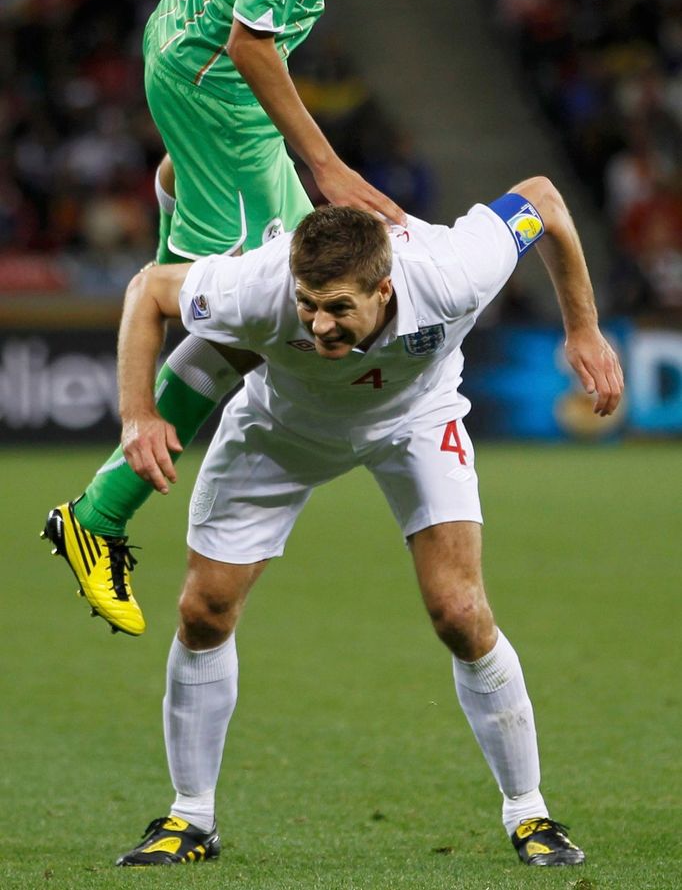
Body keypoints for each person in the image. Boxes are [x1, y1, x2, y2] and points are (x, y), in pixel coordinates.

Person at [109, 176, 622, 868]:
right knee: (204, 610)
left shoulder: (452, 271)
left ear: (384, 290)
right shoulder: (257, 282)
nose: (318, 323)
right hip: (279, 428)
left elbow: (546, 200)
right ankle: (190, 817)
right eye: (308, 304)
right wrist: (139, 412)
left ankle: (530, 814)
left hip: (416, 420)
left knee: (460, 611)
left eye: (338, 307)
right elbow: (150, 290)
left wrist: (582, 327)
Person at [42, 0, 414, 635]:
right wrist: (324, 163)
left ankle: (182, 194)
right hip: (223, 84)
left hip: (180, 31)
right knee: (267, 307)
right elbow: (257, 45)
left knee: (265, 302)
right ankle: (97, 516)